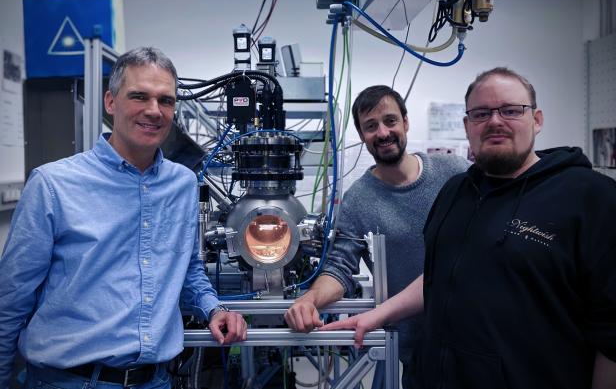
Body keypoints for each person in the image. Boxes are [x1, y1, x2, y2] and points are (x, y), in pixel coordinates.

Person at [321, 68, 616, 389]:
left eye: (511, 110)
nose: (495, 121)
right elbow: (438, 276)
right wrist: (377, 315)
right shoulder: (457, 191)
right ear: (467, 126)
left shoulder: (590, 198)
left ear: (538, 119)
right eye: (481, 113)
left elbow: (611, 333)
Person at [0, 47, 247, 389]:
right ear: (110, 102)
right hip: (70, 381)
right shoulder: (53, 184)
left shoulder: (182, 184)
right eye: (139, 96)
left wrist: (213, 308)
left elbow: (187, 268)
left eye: (166, 100)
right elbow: (11, 298)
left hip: (154, 380)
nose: (154, 111)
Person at [284, 85, 469, 388]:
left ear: (405, 123)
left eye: (390, 121)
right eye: (371, 126)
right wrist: (309, 300)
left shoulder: (455, 173)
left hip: (476, 333)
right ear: (361, 135)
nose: (383, 133)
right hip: (421, 350)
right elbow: (339, 268)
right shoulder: (358, 201)